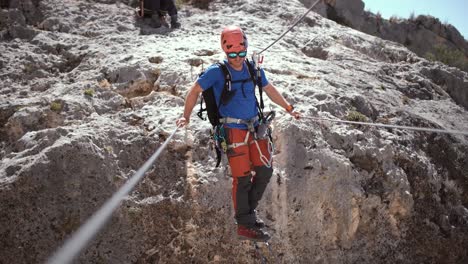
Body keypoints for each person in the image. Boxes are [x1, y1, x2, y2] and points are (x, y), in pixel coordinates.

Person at [176, 26, 300, 241]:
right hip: (233, 131)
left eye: (240, 53)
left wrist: (290, 108)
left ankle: (247, 215)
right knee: (241, 178)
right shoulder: (217, 71)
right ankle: (245, 223)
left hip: (255, 128)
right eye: (231, 54)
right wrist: (185, 116)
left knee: (265, 171)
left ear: (246, 48)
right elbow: (194, 91)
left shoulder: (253, 69)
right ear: (225, 51)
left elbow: (269, 89)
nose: (236, 58)